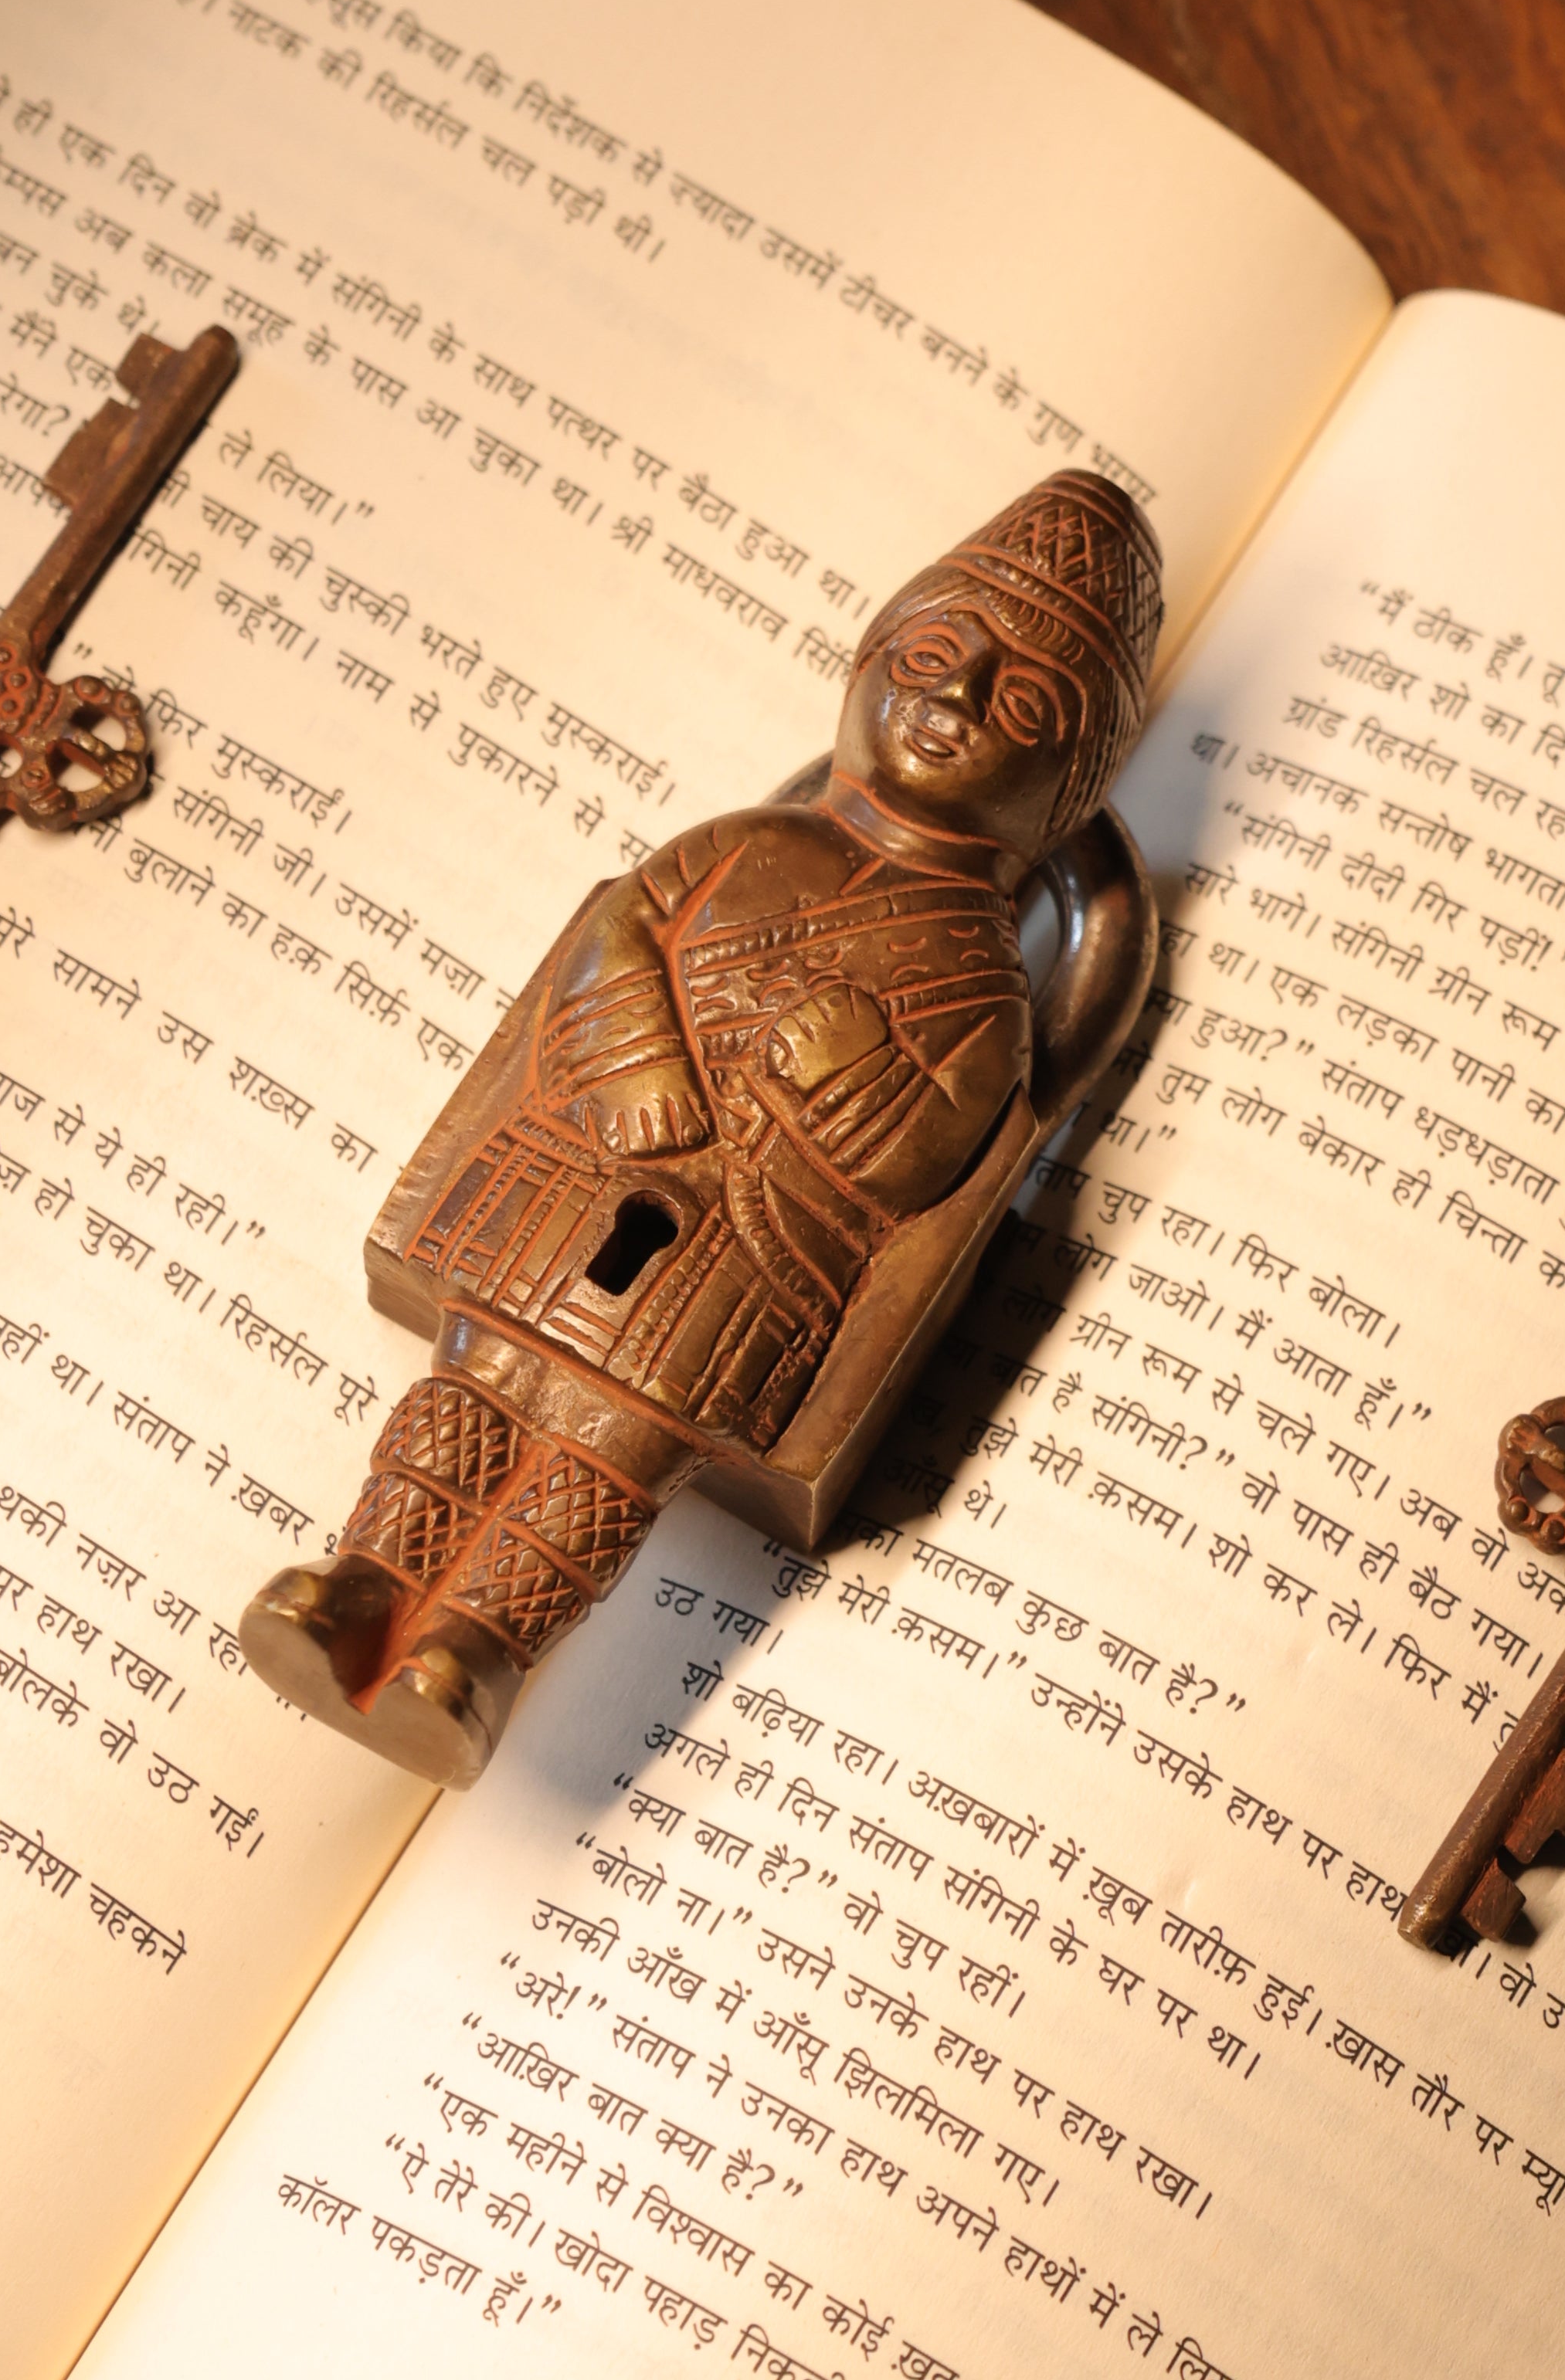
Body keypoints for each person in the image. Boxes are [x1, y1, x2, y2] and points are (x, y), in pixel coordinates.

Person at [240, 466, 1162, 1780]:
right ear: (867, 664)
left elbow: (932, 1159)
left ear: (1064, 782)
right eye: (934, 657)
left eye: (1017, 704)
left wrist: (854, 1081)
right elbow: (610, 943)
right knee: (474, 1382)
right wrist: (637, 1067)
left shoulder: (980, 974)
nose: (950, 707)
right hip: (574, 1188)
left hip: (743, 1275)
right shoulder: (740, 843)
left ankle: (479, 1654)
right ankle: (361, 1583)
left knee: (608, 1462)